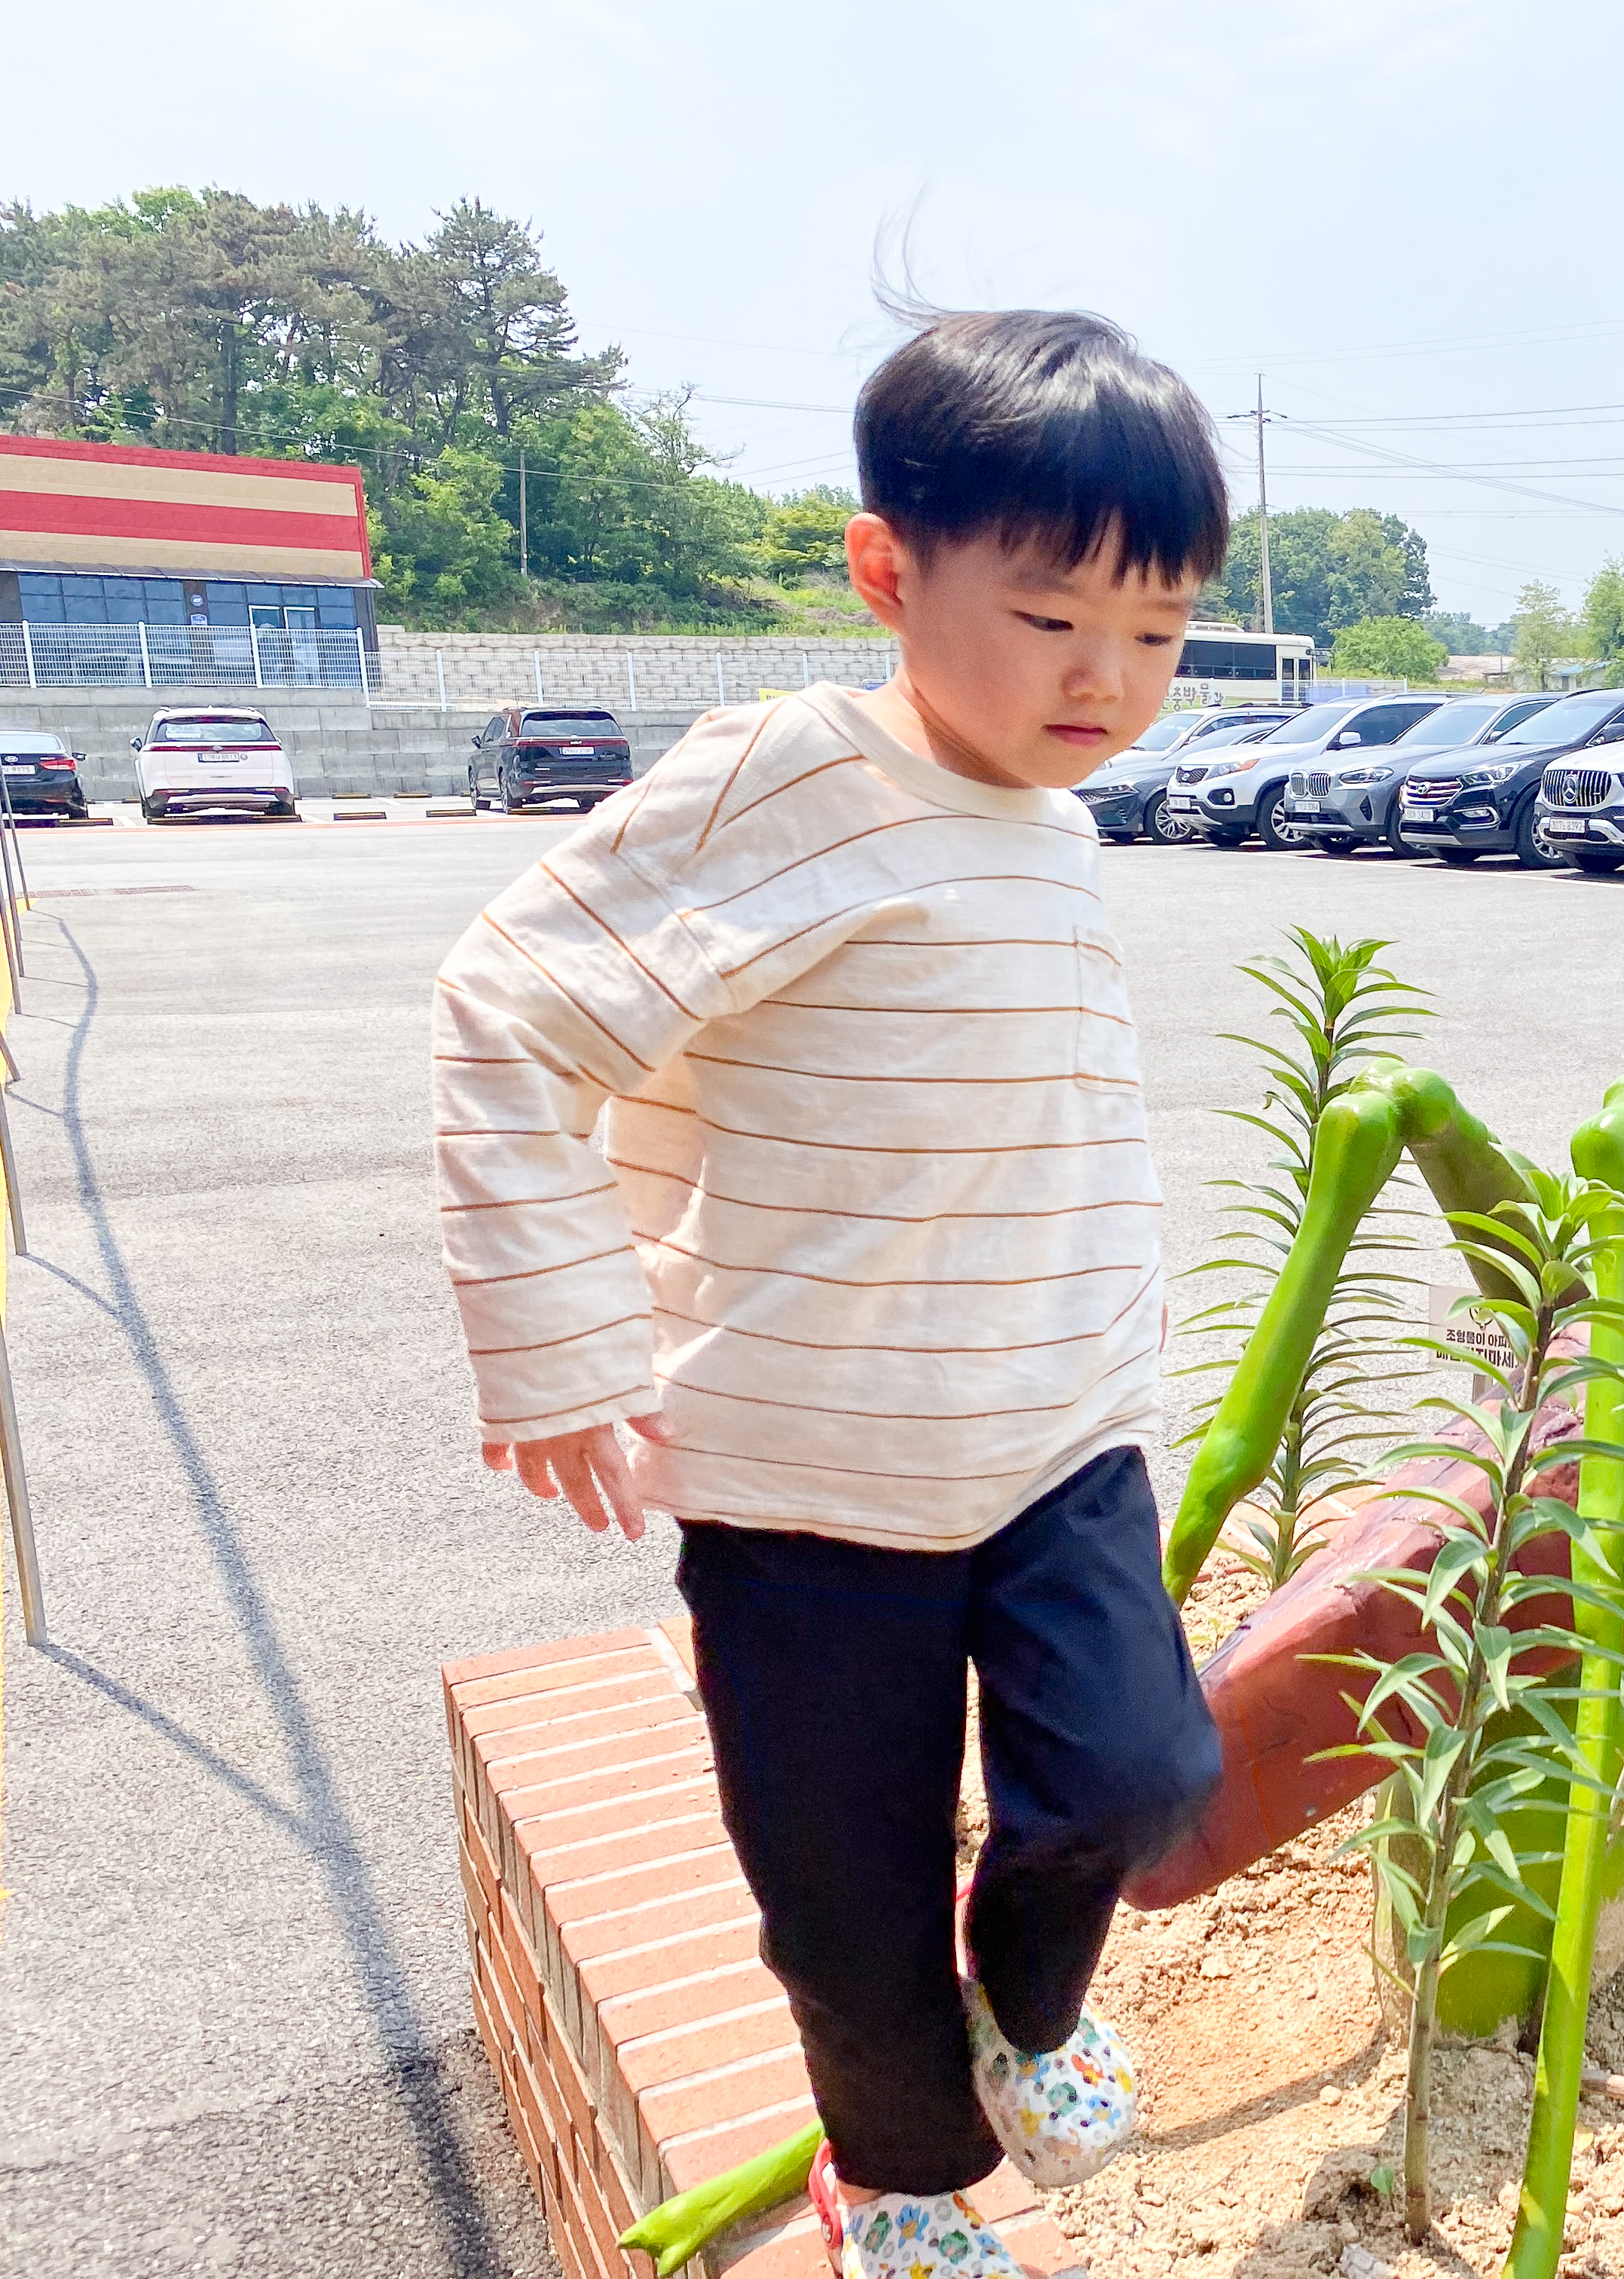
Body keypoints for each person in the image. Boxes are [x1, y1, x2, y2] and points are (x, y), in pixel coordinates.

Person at [433, 310, 1231, 2279]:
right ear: (888, 569)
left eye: (1157, 631)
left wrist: (1118, 1352)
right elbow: (512, 1008)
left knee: (1139, 1775)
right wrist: (565, 1339)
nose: (1106, 681)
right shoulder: (794, 772)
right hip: (808, 1488)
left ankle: (1032, 2011)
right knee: (839, 1901)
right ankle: (892, 2173)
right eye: (1054, 621)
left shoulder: (1059, 815)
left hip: (1054, 1443)